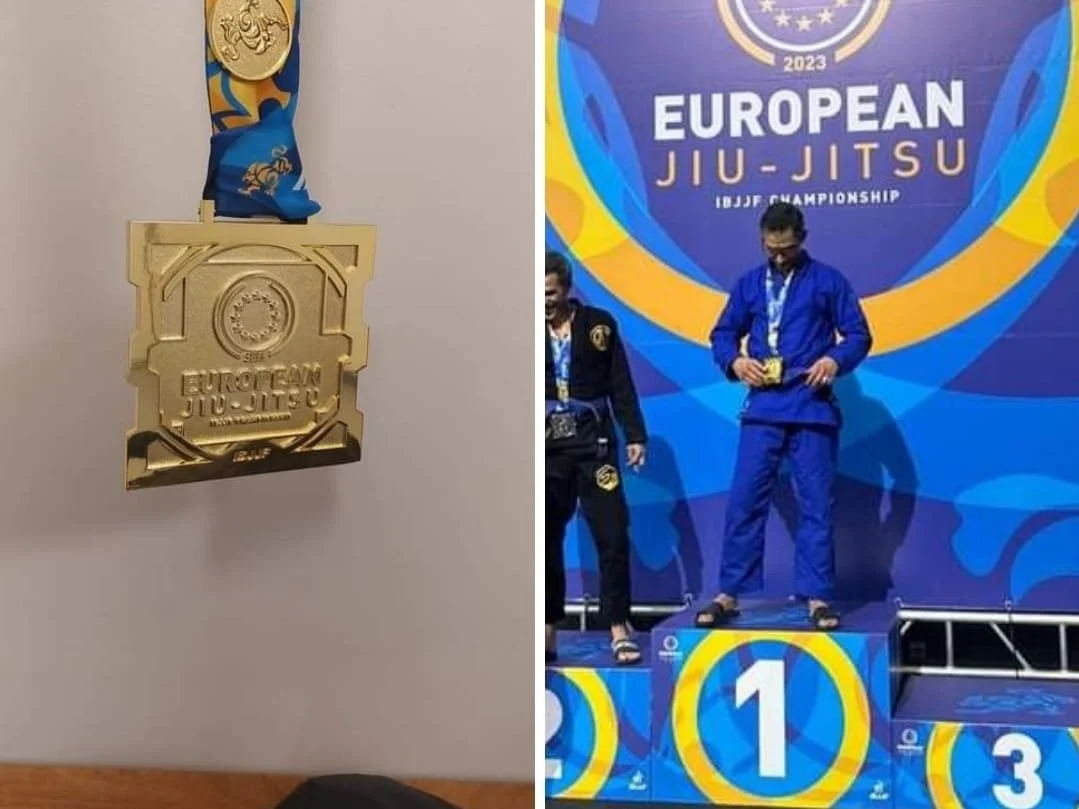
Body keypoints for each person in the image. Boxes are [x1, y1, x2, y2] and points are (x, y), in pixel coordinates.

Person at [696, 202, 872, 631]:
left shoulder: (828, 281)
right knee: (744, 500)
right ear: (762, 241)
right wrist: (735, 362)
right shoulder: (749, 284)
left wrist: (834, 359)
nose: (778, 257)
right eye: (771, 249)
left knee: (816, 505)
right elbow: (722, 333)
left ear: (802, 239)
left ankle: (818, 596)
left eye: (787, 249)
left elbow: (858, 334)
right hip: (763, 409)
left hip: (811, 408)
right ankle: (729, 592)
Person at [545, 251, 647, 665]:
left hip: (595, 444)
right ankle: (547, 627)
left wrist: (635, 435)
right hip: (546, 447)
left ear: (566, 289)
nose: (543, 301)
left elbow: (620, 383)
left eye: (550, 293)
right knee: (543, 538)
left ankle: (619, 625)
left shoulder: (598, 325)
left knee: (613, 533)